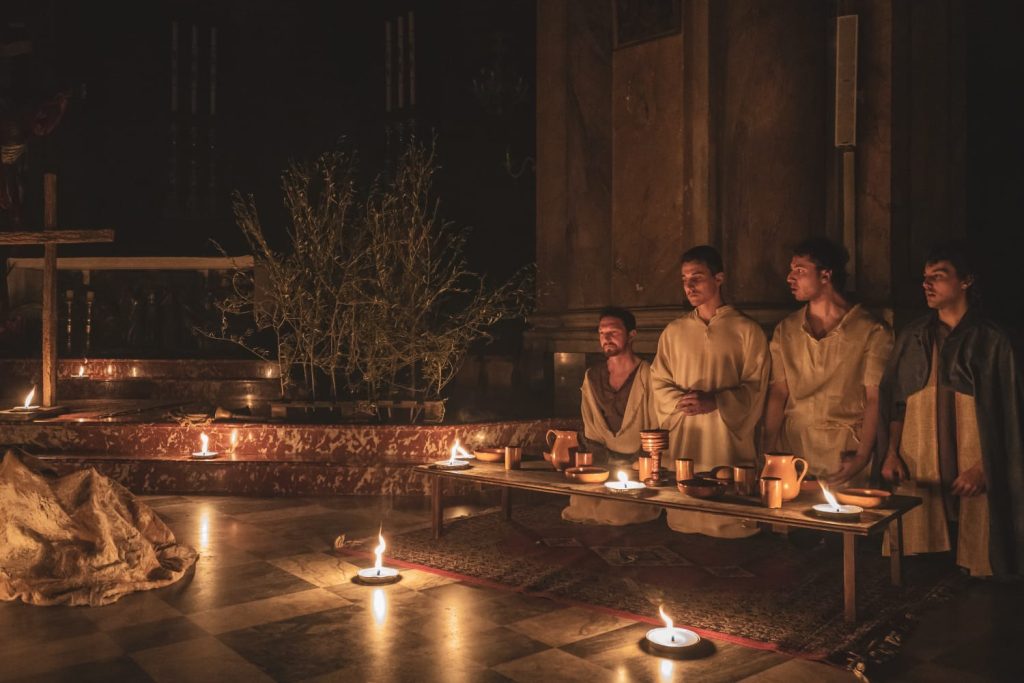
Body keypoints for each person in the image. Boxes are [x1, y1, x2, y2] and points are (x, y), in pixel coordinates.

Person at [879, 242, 1024, 577]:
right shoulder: (913, 336)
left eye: (938, 276)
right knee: (920, 560)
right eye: (925, 277)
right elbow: (898, 401)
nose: (927, 284)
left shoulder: (994, 340)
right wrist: (891, 452)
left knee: (981, 552)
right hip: (921, 462)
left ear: (966, 281)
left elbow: (1010, 414)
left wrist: (985, 466)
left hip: (975, 461)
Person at [651, 246, 769, 538]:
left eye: (697, 277)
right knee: (686, 503)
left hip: (725, 433)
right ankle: (685, 517)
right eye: (684, 278)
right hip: (687, 428)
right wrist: (679, 400)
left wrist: (717, 401)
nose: (689, 285)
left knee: (727, 489)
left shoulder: (747, 330)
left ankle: (732, 521)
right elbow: (658, 379)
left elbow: (757, 385)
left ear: (719, 278)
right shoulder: (674, 331)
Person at [762, 238, 893, 486]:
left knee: (846, 518)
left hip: (844, 451)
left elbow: (875, 398)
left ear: (825, 275)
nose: (790, 278)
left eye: (800, 270)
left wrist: (863, 456)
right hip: (794, 450)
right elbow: (779, 392)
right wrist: (768, 452)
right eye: (791, 270)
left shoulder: (871, 330)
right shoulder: (787, 330)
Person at [563, 307, 660, 525]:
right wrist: (600, 468)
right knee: (580, 506)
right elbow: (591, 426)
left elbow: (657, 424)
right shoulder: (593, 376)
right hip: (604, 464)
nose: (606, 338)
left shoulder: (648, 374)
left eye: (613, 332)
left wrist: (640, 464)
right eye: (601, 333)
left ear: (631, 335)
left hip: (638, 466)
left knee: (615, 512)